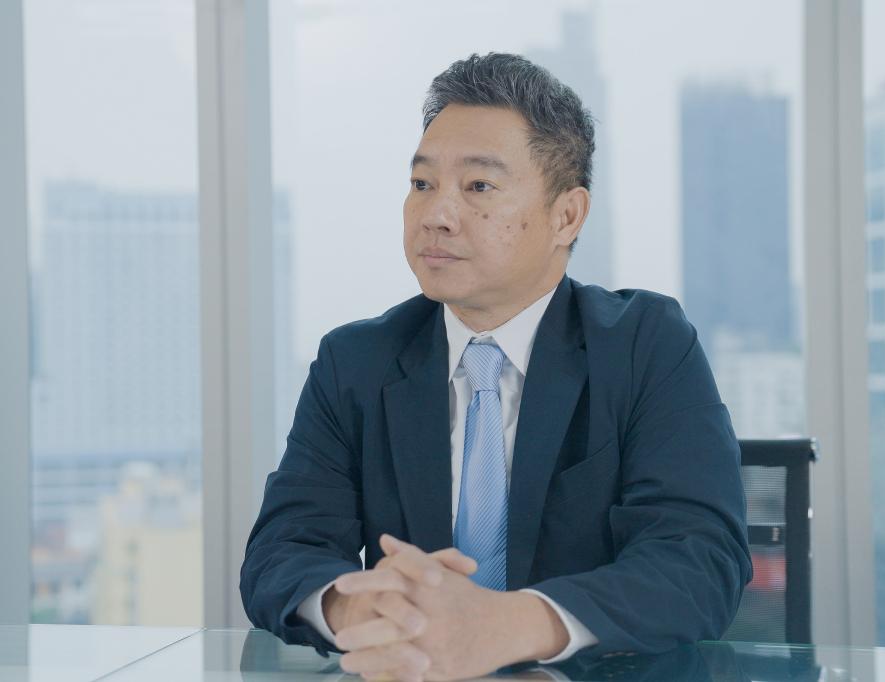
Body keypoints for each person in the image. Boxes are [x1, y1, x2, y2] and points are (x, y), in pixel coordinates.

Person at [240, 52, 751, 682]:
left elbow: (700, 562)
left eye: (478, 187)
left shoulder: (644, 344)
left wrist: (503, 627)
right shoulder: (357, 361)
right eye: (422, 184)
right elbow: (281, 550)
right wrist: (359, 608)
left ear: (567, 215)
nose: (435, 214)